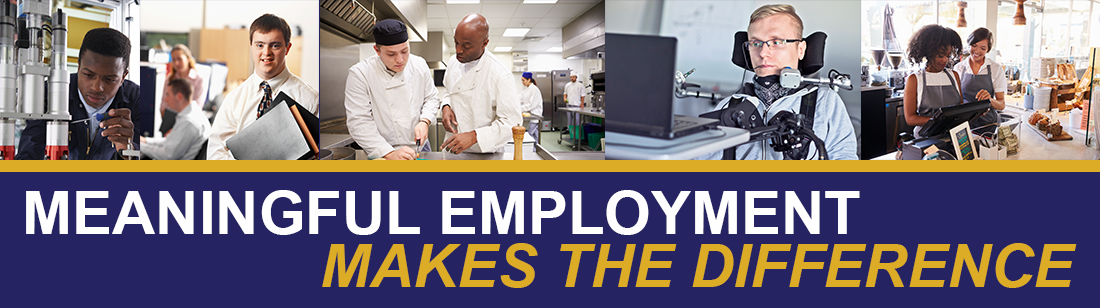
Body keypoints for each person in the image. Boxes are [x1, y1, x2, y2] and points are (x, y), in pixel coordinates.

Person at [697, 4, 857, 160]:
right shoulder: (728, 106)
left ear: (800, 50)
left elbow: (844, 159)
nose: (763, 52)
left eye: (776, 42)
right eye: (755, 43)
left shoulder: (825, 102)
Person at [207, 13, 319, 160]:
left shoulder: (310, 98)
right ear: (251, 47)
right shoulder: (234, 99)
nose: (266, 53)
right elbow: (215, 154)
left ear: (287, 48)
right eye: (260, 45)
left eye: (275, 45)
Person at [17, 27, 139, 160]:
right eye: (88, 74)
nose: (97, 87)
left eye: (110, 79)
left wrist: (128, 151)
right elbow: (29, 153)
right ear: (79, 66)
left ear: (123, 77)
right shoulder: (50, 92)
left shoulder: (137, 99)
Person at [344, 19, 439, 160]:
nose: (400, 59)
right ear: (377, 50)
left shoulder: (419, 64)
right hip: (383, 149)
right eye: (391, 54)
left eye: (404, 51)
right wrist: (389, 153)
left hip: (419, 145)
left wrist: (425, 121)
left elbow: (431, 98)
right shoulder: (360, 73)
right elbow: (359, 121)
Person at [438, 13, 522, 154]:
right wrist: (446, 106)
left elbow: (512, 123)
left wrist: (474, 136)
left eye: (466, 46)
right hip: (452, 149)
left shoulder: (500, 74)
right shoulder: (453, 62)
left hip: (486, 153)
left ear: (484, 43)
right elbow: (448, 91)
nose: (458, 50)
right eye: (456, 42)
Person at [903, 24, 964, 138]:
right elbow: (910, 118)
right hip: (925, 138)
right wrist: (939, 121)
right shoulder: (915, 79)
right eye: (941, 55)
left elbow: (959, 107)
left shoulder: (954, 75)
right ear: (929, 53)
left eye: (948, 55)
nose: (945, 60)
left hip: (953, 136)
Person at [141, 78, 210, 160]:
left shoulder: (188, 122)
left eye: (168, 95)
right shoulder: (193, 114)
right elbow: (170, 142)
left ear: (179, 96)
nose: (166, 99)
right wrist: (145, 140)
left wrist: (139, 146)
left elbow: (168, 155)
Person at [953, 27, 1006, 132]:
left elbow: (1001, 105)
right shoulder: (958, 68)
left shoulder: (996, 68)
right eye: (974, 45)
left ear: (988, 50)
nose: (977, 51)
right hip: (963, 126)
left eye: (983, 48)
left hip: (988, 125)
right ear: (969, 44)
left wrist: (989, 100)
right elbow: (954, 101)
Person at [164, 44, 206, 109]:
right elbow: (164, 104)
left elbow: (197, 106)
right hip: (170, 116)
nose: (176, 63)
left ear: (188, 59)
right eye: (174, 60)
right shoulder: (169, 79)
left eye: (179, 59)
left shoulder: (199, 79)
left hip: (190, 117)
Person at [520, 72, 543, 140]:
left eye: (523, 80)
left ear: (529, 80)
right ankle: (535, 149)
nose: (522, 82)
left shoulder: (534, 89)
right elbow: (519, 98)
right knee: (535, 135)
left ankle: (533, 149)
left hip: (535, 115)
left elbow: (531, 105)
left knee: (529, 135)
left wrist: (519, 109)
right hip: (530, 116)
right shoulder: (526, 90)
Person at [563, 71, 584, 139]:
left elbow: (582, 95)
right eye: (571, 77)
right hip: (569, 104)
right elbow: (565, 93)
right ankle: (568, 130)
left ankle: (577, 131)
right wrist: (565, 98)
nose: (572, 78)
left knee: (577, 119)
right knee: (569, 119)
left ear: (576, 77)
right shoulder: (567, 85)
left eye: (573, 77)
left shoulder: (580, 85)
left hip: (577, 105)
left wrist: (582, 104)